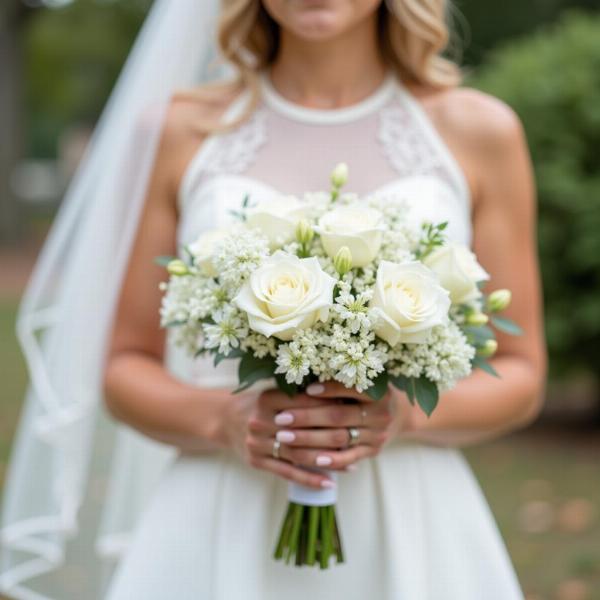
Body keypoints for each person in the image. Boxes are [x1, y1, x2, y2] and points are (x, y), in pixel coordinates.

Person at [1, 1, 546, 599]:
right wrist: (225, 421)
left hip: (411, 516)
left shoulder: (479, 129)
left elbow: (520, 373)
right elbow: (125, 368)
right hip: (219, 513)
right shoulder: (178, 129)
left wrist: (404, 414)